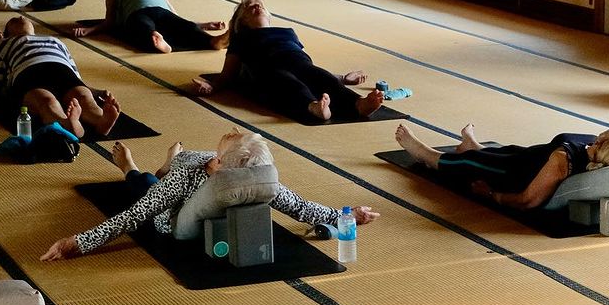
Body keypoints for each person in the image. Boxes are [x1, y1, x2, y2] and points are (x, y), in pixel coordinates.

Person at [40, 128, 380, 260]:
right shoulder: (193, 172)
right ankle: (129, 165)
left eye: (226, 144)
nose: (230, 132)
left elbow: (298, 205)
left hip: (194, 171)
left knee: (165, 174)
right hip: (173, 208)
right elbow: (135, 214)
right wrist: (78, 242)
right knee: (146, 185)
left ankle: (166, 161)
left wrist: (343, 215)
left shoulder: (255, 180)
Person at [189, 0, 384, 124]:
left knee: (321, 77)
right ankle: (313, 107)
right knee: (289, 83)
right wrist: (212, 87)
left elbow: (309, 70)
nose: (255, 5)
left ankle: (359, 104)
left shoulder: (288, 32)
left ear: (268, 14)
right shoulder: (242, 38)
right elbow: (228, 74)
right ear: (242, 21)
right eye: (248, 7)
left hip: (298, 62)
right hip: (267, 68)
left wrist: (342, 78)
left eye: (259, 3)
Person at [392, 122, 609, 210]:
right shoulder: (593, 149)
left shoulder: (562, 161)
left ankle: (425, 154)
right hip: (526, 157)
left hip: (512, 174)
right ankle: (473, 145)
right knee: (505, 151)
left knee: (467, 163)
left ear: (606, 142)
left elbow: (528, 201)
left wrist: (492, 195)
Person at [0, 15, 120, 140]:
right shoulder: (1, 45)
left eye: (24, 18)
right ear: (7, 34)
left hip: (60, 69)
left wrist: (96, 92)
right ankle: (66, 123)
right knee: (46, 101)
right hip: (28, 72)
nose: (21, 17)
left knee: (82, 96)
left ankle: (100, 120)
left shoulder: (55, 40)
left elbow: (76, 75)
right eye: (13, 20)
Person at [72, 0, 229, 55]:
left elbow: (174, 13)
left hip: (161, 12)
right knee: (143, 27)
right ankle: (162, 44)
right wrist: (90, 30)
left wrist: (203, 24)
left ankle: (213, 41)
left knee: (186, 27)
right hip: (137, 14)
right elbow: (110, 20)